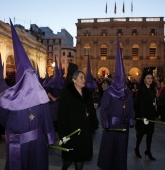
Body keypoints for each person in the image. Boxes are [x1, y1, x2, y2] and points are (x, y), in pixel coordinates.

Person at [0, 20, 56, 170]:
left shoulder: (41, 96)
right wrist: (13, 130)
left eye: (32, 74)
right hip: (17, 145)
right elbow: (0, 116)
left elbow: (47, 119)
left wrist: (49, 137)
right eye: (27, 75)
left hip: (38, 143)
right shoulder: (8, 98)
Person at [97, 37, 135, 170]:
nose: (121, 80)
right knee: (110, 150)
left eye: (123, 78)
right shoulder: (109, 91)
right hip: (112, 126)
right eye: (119, 77)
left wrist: (131, 118)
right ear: (115, 77)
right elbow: (103, 109)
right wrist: (105, 122)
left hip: (124, 127)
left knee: (121, 151)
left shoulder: (127, 91)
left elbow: (130, 107)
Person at [57, 69, 99, 170]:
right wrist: (63, 135)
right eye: (81, 77)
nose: (84, 80)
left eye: (84, 77)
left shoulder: (87, 93)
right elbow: (61, 116)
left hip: (84, 132)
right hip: (72, 132)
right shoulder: (67, 94)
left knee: (80, 160)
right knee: (68, 159)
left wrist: (93, 122)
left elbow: (91, 111)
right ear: (74, 79)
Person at [135, 68, 157, 161]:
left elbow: (154, 101)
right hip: (143, 116)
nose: (149, 80)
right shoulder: (142, 89)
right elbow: (139, 104)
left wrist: (156, 110)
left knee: (150, 134)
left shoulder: (152, 89)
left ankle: (148, 151)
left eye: (151, 78)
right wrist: (142, 116)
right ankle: (137, 148)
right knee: (141, 133)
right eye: (148, 78)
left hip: (151, 115)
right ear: (144, 79)